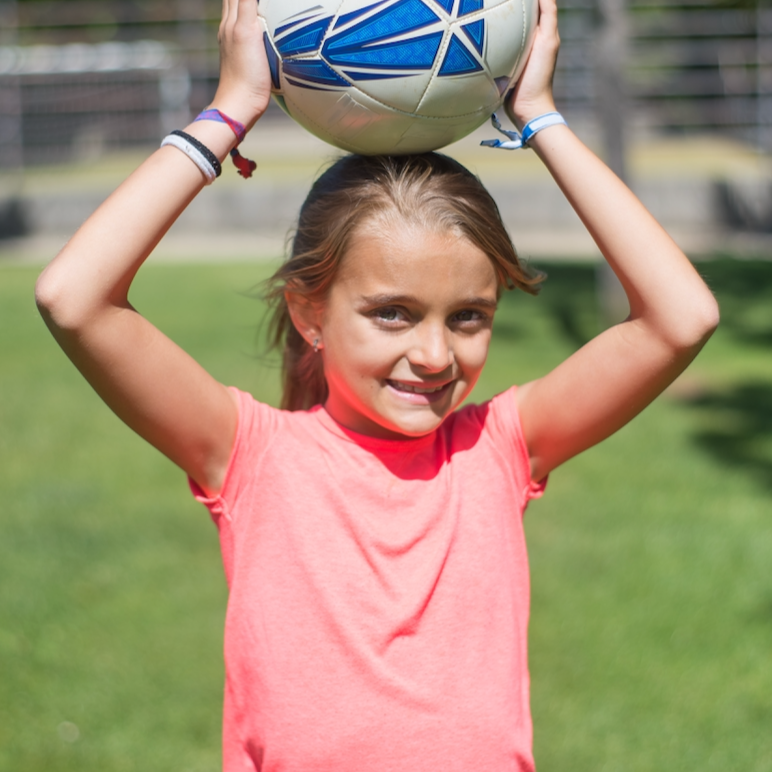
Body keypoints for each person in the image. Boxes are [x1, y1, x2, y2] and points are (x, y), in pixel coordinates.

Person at [34, 0, 719, 769]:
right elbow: (74, 296)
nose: (434, 354)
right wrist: (228, 112)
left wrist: (540, 118)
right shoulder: (249, 457)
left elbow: (681, 317)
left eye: (468, 316)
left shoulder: (498, 450)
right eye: (392, 314)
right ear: (309, 311)